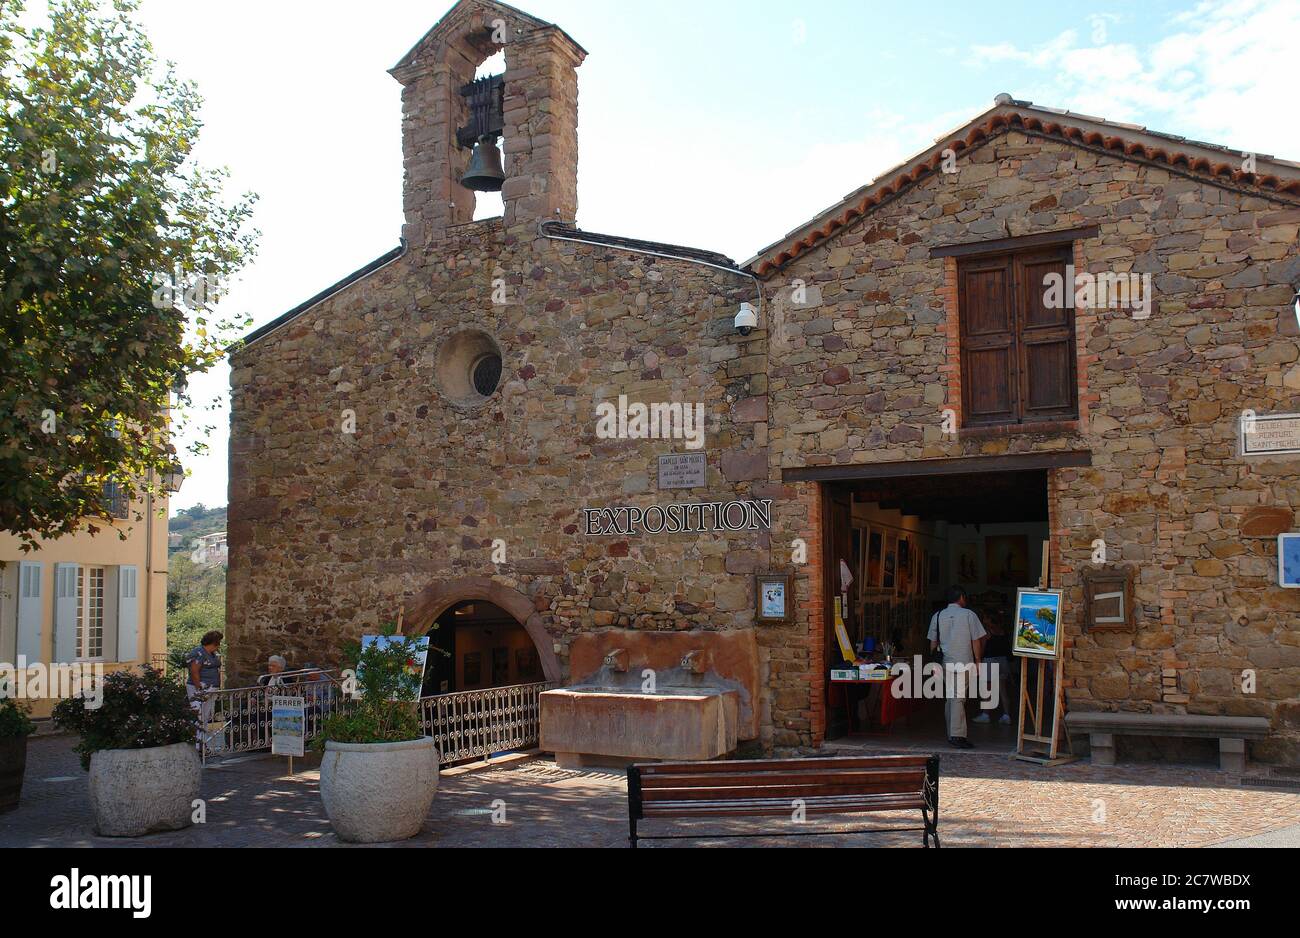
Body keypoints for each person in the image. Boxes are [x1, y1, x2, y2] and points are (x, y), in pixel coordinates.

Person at [928, 587, 987, 749]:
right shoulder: (969, 615)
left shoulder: (937, 616)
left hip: (945, 661)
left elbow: (933, 642)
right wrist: (978, 660)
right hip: (963, 661)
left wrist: (933, 663)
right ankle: (957, 735)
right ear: (961, 597)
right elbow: (976, 640)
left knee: (951, 697)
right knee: (958, 697)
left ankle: (951, 732)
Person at [973, 613, 1014, 726]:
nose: (983, 619)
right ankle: (1007, 715)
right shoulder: (1002, 630)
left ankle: (986, 715)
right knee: (1003, 689)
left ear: (989, 619)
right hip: (1003, 661)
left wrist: (978, 659)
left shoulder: (986, 632)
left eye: (985, 617)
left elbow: (982, 648)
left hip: (990, 661)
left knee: (987, 689)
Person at [185, 631, 223, 728]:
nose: (219, 645)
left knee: (206, 716)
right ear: (214, 642)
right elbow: (194, 671)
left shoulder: (212, 653)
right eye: (218, 642)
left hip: (210, 689)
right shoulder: (198, 653)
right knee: (199, 715)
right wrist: (199, 688)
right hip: (200, 688)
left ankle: (202, 741)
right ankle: (198, 740)